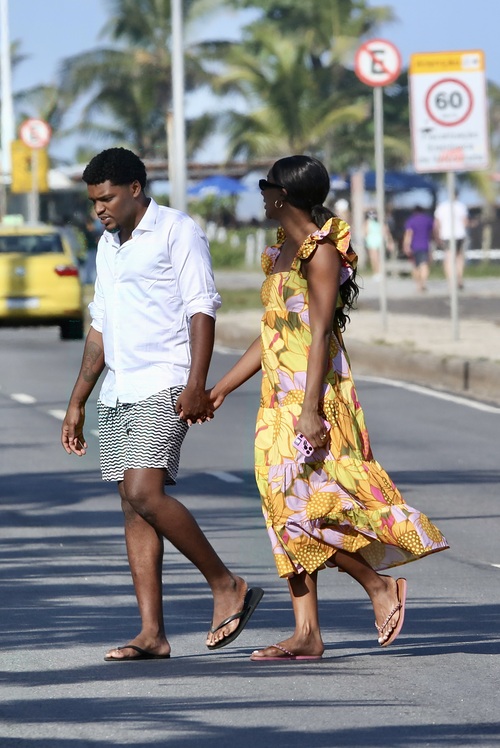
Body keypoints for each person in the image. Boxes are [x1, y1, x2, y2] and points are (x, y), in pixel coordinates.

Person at [205, 156, 449, 661]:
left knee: (305, 508)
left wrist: (312, 409)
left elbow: (317, 334)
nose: (261, 196)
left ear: (284, 195)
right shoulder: (279, 252)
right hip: (278, 400)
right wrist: (221, 388)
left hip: (315, 398)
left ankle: (378, 586)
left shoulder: (321, 254)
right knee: (282, 511)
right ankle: (307, 633)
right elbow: (274, 332)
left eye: (265, 187)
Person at [61, 148, 263, 661]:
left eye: (106, 198)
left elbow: (202, 307)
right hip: (119, 387)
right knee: (132, 507)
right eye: (93, 202)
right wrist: (77, 401)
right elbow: (100, 326)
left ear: (134, 188)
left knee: (145, 491)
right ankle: (152, 633)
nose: (100, 210)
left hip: (165, 380)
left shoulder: (178, 230)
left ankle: (226, 584)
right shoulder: (108, 246)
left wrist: (196, 382)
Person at [433, 193, 469, 289]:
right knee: (459, 257)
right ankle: (459, 279)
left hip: (446, 235)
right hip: (459, 234)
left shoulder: (442, 207)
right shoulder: (461, 206)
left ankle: (450, 281)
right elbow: (465, 222)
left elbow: (437, 223)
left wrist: (437, 235)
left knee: (448, 258)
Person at [403, 205, 434, 292]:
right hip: (425, 245)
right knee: (424, 265)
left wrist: (406, 245)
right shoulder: (428, 220)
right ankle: (423, 283)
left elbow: (408, 234)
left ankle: (418, 285)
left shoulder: (411, 221)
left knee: (415, 266)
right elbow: (432, 232)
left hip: (414, 246)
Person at [364, 210, 394, 280]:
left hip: (377, 241)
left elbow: (386, 232)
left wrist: (389, 241)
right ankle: (377, 272)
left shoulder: (378, 222)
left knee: (376, 258)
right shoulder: (369, 222)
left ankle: (379, 272)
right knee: (375, 258)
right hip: (372, 241)